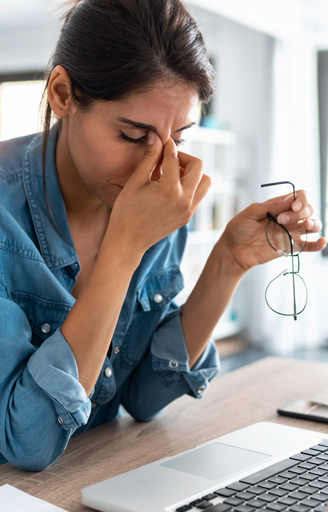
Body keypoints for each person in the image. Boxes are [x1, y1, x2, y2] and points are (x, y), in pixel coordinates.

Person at [0, 0, 325, 472]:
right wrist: (124, 248)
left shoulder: (158, 197)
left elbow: (143, 395)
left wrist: (228, 262)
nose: (160, 168)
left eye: (180, 138)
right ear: (62, 93)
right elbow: (26, 439)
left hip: (91, 474)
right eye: (133, 136)